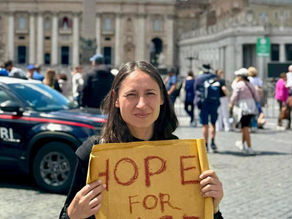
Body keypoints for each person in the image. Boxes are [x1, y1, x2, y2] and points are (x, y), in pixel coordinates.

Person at [59, 61, 223, 219]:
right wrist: (73, 215)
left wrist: (213, 209)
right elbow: (67, 215)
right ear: (116, 99)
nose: (142, 104)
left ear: (162, 98)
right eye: (131, 94)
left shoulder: (182, 156)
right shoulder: (92, 152)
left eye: (150, 93)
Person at [230, 68, 259, 155]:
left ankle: (249, 147)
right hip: (251, 106)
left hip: (243, 108)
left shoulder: (239, 85)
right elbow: (257, 96)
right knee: (244, 126)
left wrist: (231, 104)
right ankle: (242, 144)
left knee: (245, 127)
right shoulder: (250, 84)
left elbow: (234, 96)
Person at [194, 64, 220, 152]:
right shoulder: (215, 77)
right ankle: (213, 141)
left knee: (205, 124)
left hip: (204, 103)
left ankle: (205, 144)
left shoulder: (199, 78)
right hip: (214, 102)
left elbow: (196, 90)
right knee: (213, 123)